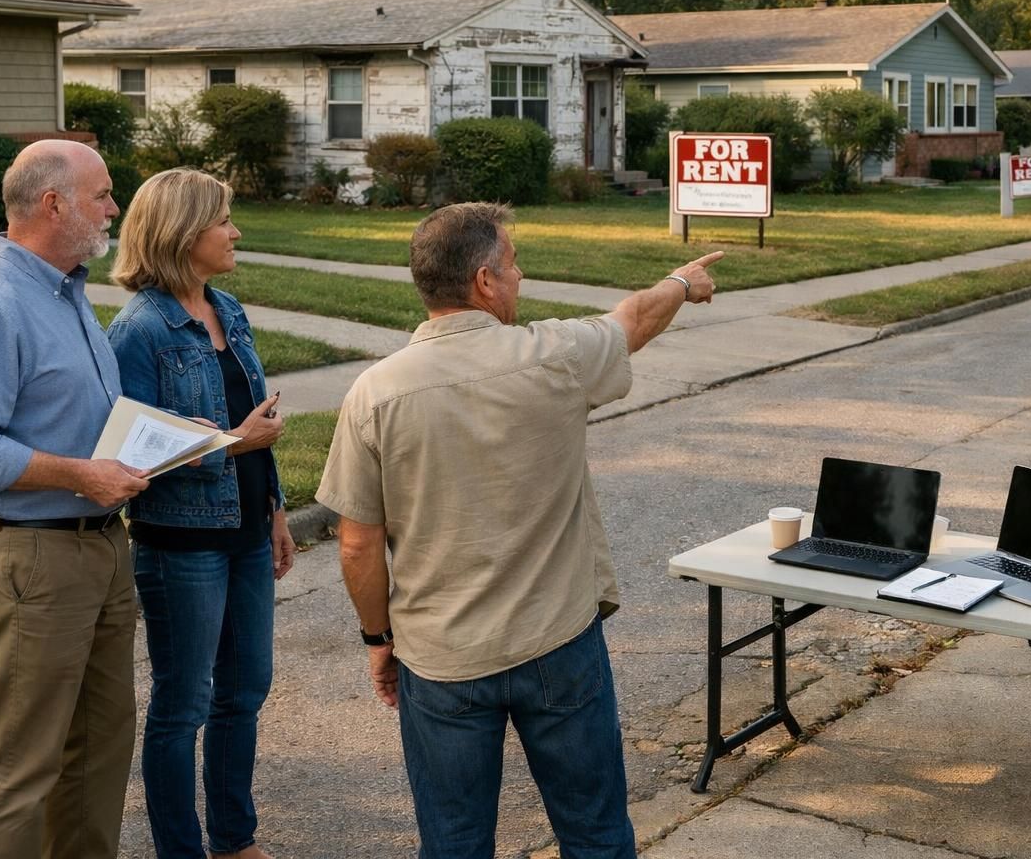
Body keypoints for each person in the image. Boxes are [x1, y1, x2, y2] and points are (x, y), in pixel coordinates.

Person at [319, 201, 722, 858]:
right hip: (557, 643)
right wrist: (682, 283)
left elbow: (358, 543)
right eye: (511, 264)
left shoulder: (375, 393)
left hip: (440, 658)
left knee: (454, 842)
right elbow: (633, 321)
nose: (520, 274)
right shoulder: (555, 357)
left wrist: (378, 638)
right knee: (593, 833)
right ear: (484, 281)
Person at [0, 139, 149, 859]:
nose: (115, 207)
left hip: (97, 549)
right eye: (104, 194)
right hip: (28, 558)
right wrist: (80, 476)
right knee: (17, 766)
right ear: (53, 204)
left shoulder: (65, 290)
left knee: (96, 752)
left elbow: (68, 413)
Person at [106, 167, 296, 859]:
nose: (235, 232)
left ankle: (234, 842)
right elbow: (130, 451)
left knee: (245, 690)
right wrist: (233, 444)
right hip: (181, 540)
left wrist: (275, 507)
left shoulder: (229, 308)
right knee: (183, 704)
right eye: (224, 221)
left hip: (246, 529)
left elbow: (257, 416)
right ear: (185, 233)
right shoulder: (140, 331)